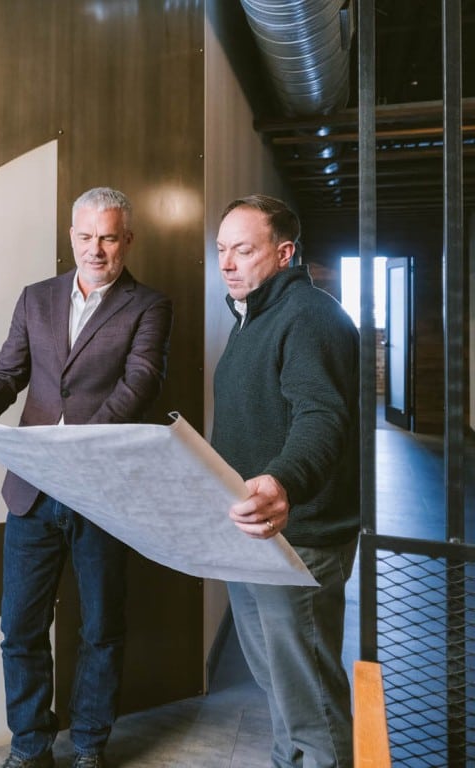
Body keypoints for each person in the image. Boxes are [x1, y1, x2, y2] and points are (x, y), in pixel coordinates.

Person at [0, 187, 173, 768]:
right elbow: (9, 373)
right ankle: (30, 748)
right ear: (71, 236)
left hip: (101, 492)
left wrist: (77, 447)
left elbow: (140, 383)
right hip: (32, 492)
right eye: (86, 236)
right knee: (20, 629)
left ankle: (89, 747)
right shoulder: (36, 297)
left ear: (127, 240)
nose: (96, 249)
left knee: (101, 629)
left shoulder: (149, 306)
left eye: (109, 237)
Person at [211, 194, 360, 768]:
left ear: (284, 253)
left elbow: (321, 416)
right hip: (252, 533)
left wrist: (283, 481)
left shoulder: (310, 316)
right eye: (221, 250)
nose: (228, 263)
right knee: (280, 686)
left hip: (299, 537)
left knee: (311, 701)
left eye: (243, 250)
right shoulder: (250, 318)